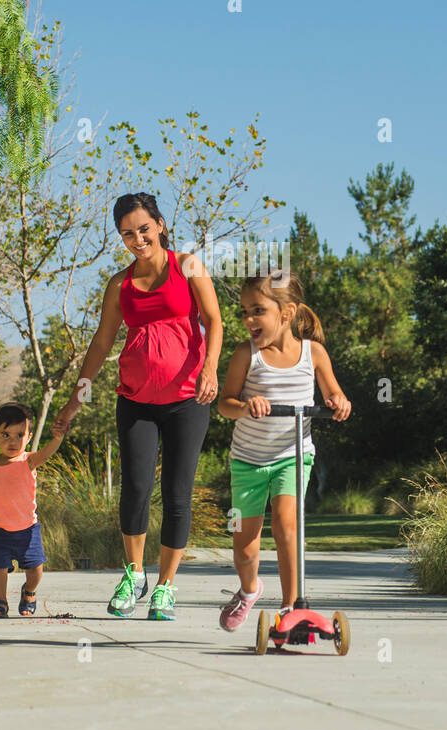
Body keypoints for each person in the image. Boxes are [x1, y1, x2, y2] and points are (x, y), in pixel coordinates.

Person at [54, 192, 222, 620]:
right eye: (128, 233)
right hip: (135, 400)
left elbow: (214, 321)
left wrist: (211, 369)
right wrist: (76, 399)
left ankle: (165, 586)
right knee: (135, 489)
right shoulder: (120, 284)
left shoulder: (188, 266)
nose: (137, 238)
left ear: (160, 225)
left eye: (143, 229)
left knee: (178, 494)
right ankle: (133, 575)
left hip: (187, 399)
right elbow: (101, 341)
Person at [216, 268, 350, 630]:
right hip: (248, 461)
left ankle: (292, 607)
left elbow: (334, 394)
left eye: (257, 310)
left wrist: (338, 402)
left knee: (287, 525)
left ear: (287, 313)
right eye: (244, 312)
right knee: (245, 547)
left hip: (293, 456)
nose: (248, 320)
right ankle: (249, 589)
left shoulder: (314, 354)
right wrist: (245, 406)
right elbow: (224, 404)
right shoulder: (247, 355)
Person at [0, 402, 65, 618]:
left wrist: (57, 437)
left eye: (19, 435)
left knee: (35, 569)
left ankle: (29, 592)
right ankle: (1, 603)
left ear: (28, 437)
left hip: (27, 529)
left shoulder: (28, 461)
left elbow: (46, 453)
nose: (12, 441)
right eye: (6, 434)